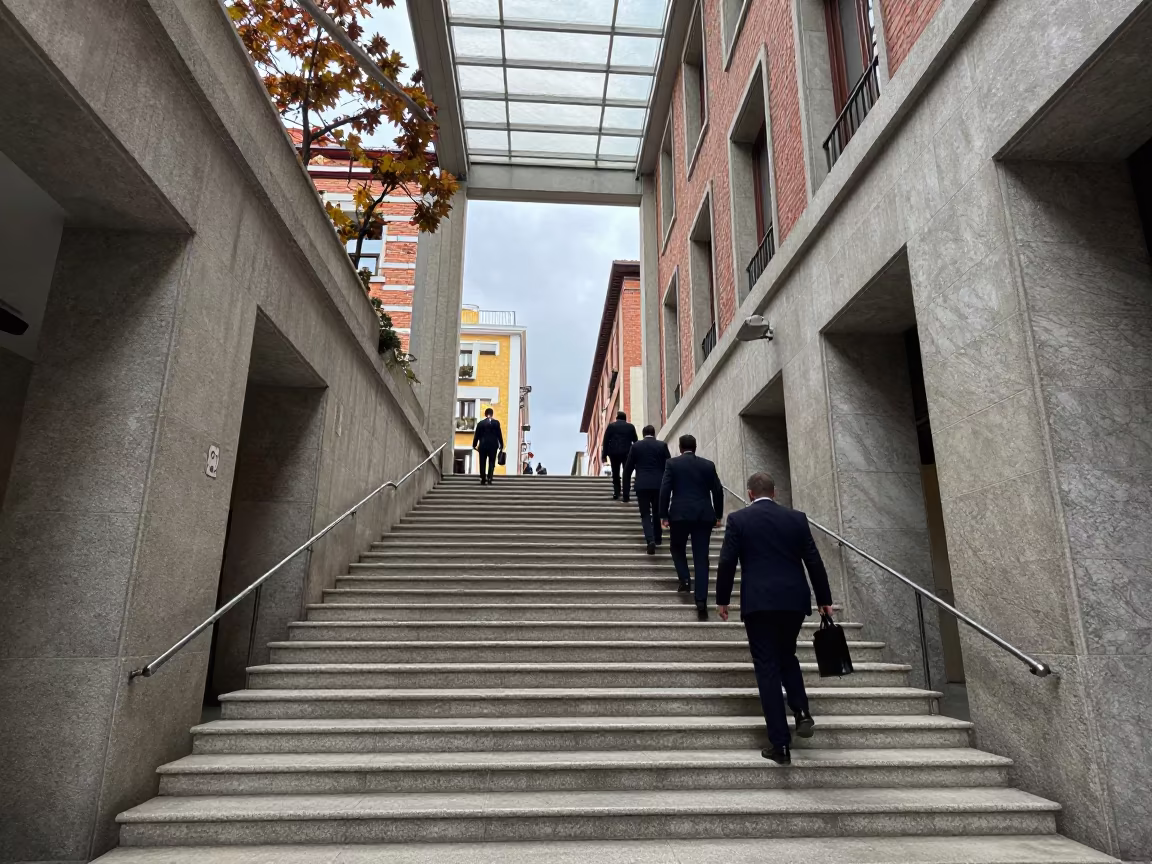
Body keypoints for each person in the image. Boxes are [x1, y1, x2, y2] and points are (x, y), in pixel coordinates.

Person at [715, 472, 835, 765]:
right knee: (787, 655)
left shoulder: (739, 520)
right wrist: (824, 600)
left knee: (767, 667)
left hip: (759, 603)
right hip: (793, 601)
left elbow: (727, 561)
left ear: (750, 493)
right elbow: (814, 560)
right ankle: (802, 710)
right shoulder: (796, 518)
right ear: (775, 492)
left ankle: (780, 744)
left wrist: (721, 598)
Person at [658, 434, 723, 619]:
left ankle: (685, 578)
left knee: (676, 547)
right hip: (703, 516)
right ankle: (701, 601)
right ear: (695, 447)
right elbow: (717, 491)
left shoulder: (672, 464)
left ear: (680, 448)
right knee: (701, 557)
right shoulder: (707, 465)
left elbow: (665, 489)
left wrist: (663, 515)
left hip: (679, 515)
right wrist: (718, 515)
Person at [624, 425, 671, 555]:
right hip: (659, 485)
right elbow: (669, 466)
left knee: (645, 514)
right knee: (657, 512)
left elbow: (628, 470)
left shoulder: (636, 446)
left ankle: (650, 540)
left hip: (642, 485)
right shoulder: (662, 446)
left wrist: (626, 493)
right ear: (654, 433)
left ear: (643, 433)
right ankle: (658, 538)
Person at [601, 410, 638, 501]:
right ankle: (626, 494)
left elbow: (605, 441)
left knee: (615, 472)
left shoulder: (611, 426)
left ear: (616, 419)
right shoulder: (630, 427)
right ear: (625, 419)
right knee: (626, 473)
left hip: (613, 453)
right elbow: (635, 441)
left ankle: (617, 493)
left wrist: (604, 455)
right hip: (627, 453)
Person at [471, 407, 504, 485]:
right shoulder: (496, 423)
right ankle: (489, 477)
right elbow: (499, 434)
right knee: (492, 462)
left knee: (482, 462)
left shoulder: (480, 423)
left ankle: (483, 478)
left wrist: (474, 444)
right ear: (492, 414)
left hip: (482, 445)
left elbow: (476, 435)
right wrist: (501, 444)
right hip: (493, 445)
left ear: (485, 414)